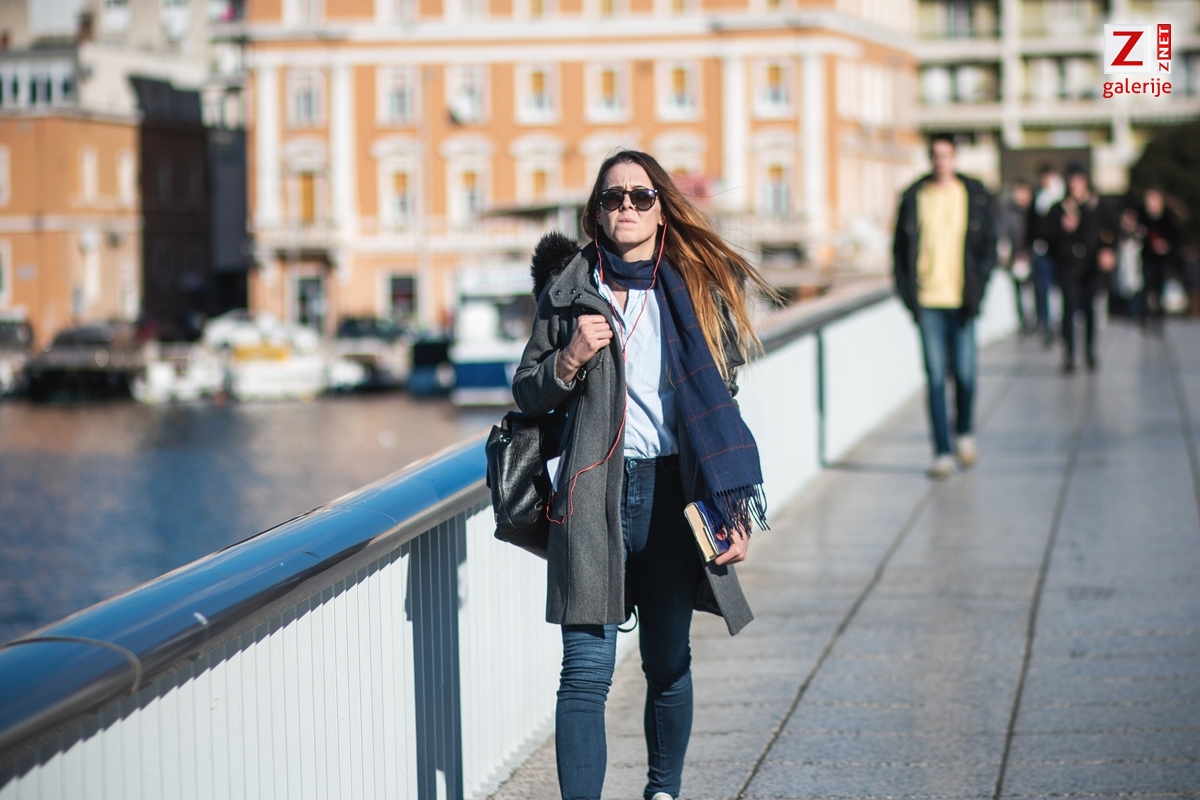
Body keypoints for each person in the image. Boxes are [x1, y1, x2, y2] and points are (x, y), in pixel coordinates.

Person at [512, 150, 771, 800]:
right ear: (596, 214)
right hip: (590, 493)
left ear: (661, 210)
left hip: (671, 495)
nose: (626, 206)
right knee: (584, 671)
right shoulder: (567, 292)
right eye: (613, 197)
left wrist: (729, 507)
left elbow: (721, 402)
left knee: (667, 660)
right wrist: (569, 358)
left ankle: (662, 790)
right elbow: (528, 392)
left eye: (640, 196)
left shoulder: (694, 289)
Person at [893, 133, 997, 479]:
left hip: (963, 300)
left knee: (965, 374)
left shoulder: (973, 194)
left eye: (947, 155)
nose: (941, 162)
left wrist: (980, 286)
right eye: (936, 155)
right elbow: (899, 251)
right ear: (930, 159)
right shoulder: (914, 196)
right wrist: (908, 295)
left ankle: (964, 432)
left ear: (955, 158)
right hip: (928, 302)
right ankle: (942, 452)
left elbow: (988, 245)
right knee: (936, 378)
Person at [1047, 166, 1112, 372]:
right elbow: (1046, 237)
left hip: (1090, 267)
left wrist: (1108, 250)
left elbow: (1110, 231)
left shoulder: (1096, 207)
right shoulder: (1059, 209)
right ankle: (1069, 354)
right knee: (1068, 310)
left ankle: (1090, 352)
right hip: (1068, 267)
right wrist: (1064, 230)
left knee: (1089, 309)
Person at [1027, 164, 1065, 346]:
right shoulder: (1037, 197)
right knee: (1042, 289)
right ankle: (1046, 324)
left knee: (1059, 290)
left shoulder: (1062, 197)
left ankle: (1060, 323)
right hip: (1040, 252)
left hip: (1059, 252)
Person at [1141, 188, 1178, 333]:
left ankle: (1160, 316)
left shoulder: (1167, 218)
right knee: (1147, 287)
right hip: (1148, 258)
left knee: (1160, 287)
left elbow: (1174, 237)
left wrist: (1165, 245)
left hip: (1162, 259)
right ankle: (1146, 316)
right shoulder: (1143, 217)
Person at [998, 181, 1033, 334]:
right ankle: (1024, 320)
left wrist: (1027, 254)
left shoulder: (1034, 213)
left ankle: (1040, 321)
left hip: (1032, 257)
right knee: (1018, 292)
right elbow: (1004, 233)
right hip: (1016, 258)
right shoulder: (1008, 213)